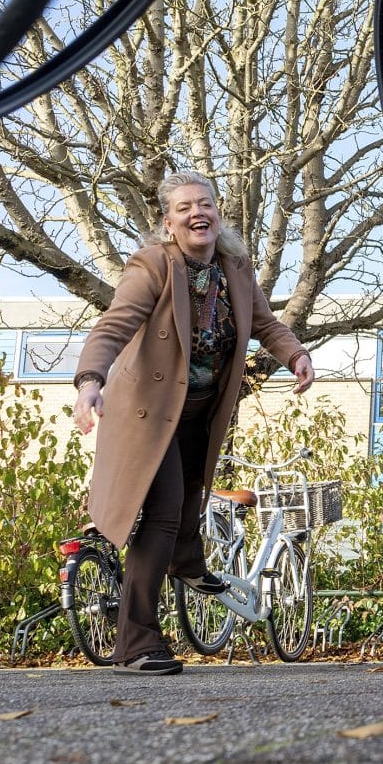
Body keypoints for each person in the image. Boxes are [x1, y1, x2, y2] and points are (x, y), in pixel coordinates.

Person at [73, 170, 314, 675]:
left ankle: (186, 559)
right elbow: (114, 323)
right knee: (160, 516)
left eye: (204, 204)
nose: (196, 213)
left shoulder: (235, 266)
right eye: (183, 207)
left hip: (199, 413)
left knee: (185, 507)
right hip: (149, 414)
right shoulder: (154, 265)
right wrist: (90, 380)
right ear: (168, 221)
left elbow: (265, 322)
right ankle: (136, 644)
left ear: (217, 213)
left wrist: (294, 355)